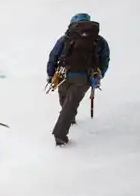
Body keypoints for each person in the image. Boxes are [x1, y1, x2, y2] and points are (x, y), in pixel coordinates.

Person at [46, 13, 110, 146]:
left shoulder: (66, 38)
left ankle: (60, 135)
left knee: (65, 100)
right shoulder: (99, 41)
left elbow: (53, 56)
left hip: (63, 74)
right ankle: (68, 120)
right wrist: (99, 75)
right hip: (84, 76)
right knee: (70, 103)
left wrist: (50, 74)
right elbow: (105, 59)